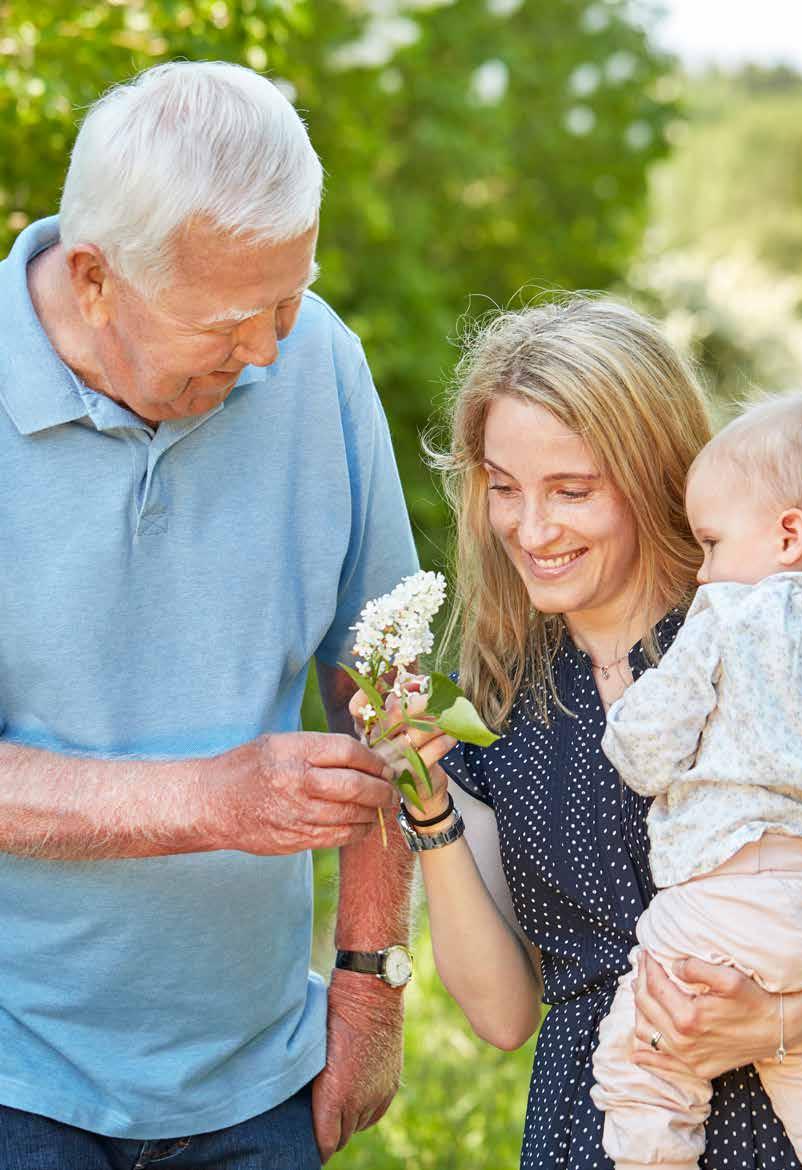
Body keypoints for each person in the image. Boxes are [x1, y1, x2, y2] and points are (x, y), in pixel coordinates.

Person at [0, 61, 419, 1169]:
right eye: (231, 321)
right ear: (93, 278)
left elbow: (385, 698)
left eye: (289, 299)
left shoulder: (318, 362)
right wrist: (207, 799)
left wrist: (370, 988)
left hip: (259, 1080)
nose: (268, 353)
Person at [356, 299, 802, 1170]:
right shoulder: (496, 706)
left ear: (651, 475)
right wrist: (427, 804)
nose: (530, 531)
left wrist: (787, 1014)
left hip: (785, 1118)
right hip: (593, 1129)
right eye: (504, 488)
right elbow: (501, 1017)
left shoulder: (762, 635)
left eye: (570, 491)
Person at [591, 392, 802, 1170]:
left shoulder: (727, 614)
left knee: (645, 1067)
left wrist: (627, 709)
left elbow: (645, 753)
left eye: (713, 542)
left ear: (788, 534)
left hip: (727, 897)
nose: (704, 568)